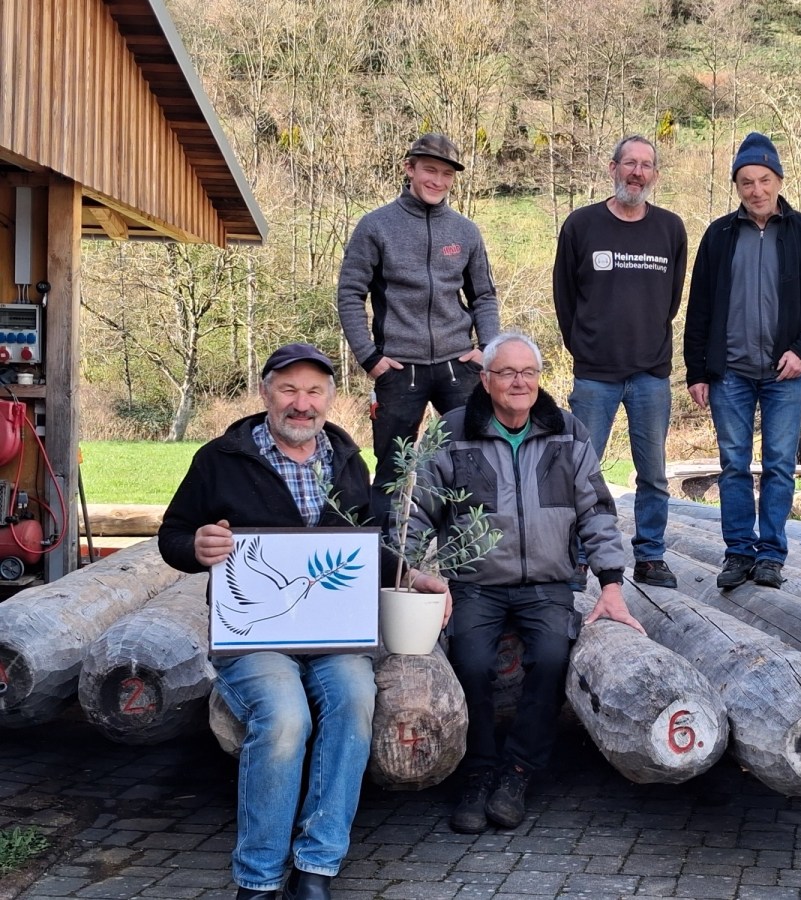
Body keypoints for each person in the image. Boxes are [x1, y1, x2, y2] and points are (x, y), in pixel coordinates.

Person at [159, 344, 407, 900]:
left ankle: (317, 865)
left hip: (333, 635)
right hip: (254, 639)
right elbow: (172, 535)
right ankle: (260, 876)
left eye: (315, 391)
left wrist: (416, 575)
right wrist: (196, 545)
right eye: (289, 389)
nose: (302, 403)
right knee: (285, 715)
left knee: (353, 700)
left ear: (330, 398)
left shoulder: (347, 460)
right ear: (266, 392)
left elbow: (368, 546)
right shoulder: (219, 459)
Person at [406, 332, 644, 835]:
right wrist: (407, 569)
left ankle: (517, 772)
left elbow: (597, 511)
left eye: (529, 373)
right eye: (508, 373)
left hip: (549, 582)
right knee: (470, 662)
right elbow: (415, 509)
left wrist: (611, 583)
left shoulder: (567, 432)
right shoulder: (451, 432)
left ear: (539, 379)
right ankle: (478, 771)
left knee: (553, 658)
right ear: (486, 379)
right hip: (475, 583)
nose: (520, 382)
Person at [683, 131, 801, 590]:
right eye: (746, 182)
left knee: (779, 466)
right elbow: (700, 307)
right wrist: (697, 370)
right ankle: (737, 553)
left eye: (764, 180)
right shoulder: (719, 236)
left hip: (783, 374)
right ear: (737, 186)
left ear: (779, 180)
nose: (756, 190)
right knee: (733, 465)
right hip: (729, 373)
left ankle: (770, 554)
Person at [336, 132, 500, 519]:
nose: (437, 181)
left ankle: (466, 562)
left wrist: (486, 352)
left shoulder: (465, 232)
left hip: (459, 368)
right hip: (397, 370)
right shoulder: (375, 227)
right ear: (409, 168)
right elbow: (349, 294)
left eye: (447, 174)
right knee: (392, 472)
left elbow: (485, 297)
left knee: (473, 463)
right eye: (429, 170)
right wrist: (369, 358)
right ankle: (388, 563)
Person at [553, 134, 687, 590]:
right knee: (580, 472)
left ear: (655, 175)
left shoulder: (670, 229)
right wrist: (585, 347)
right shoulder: (581, 225)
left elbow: (671, 300)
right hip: (595, 376)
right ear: (612, 169)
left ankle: (649, 556)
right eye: (628, 163)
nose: (637, 172)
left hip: (651, 374)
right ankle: (575, 559)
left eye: (646, 165)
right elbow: (564, 298)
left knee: (653, 473)